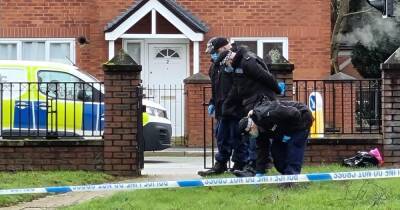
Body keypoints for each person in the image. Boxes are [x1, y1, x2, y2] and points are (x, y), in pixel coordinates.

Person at [222, 45, 281, 177]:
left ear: (231, 56)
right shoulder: (238, 65)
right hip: (251, 102)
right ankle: (257, 166)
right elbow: (237, 89)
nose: (227, 65)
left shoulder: (248, 61)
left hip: (261, 101)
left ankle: (254, 167)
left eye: (226, 62)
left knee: (257, 136)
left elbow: (266, 77)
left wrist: (278, 90)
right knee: (257, 137)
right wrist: (226, 107)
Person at [197, 37, 247, 176]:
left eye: (213, 51)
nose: (212, 55)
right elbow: (216, 88)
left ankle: (240, 164)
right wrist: (213, 102)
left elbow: (239, 86)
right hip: (221, 108)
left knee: (238, 137)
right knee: (221, 137)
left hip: (236, 108)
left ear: (223, 48)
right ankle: (220, 164)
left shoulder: (235, 62)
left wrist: (230, 103)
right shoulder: (215, 66)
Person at [239, 100, 314, 176]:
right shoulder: (259, 130)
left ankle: (292, 178)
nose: (251, 136)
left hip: (302, 118)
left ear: (251, 126)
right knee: (276, 153)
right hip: (283, 129)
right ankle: (286, 174)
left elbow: (293, 113)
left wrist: (290, 132)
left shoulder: (266, 113)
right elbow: (262, 149)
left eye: (249, 133)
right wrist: (259, 172)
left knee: (294, 146)